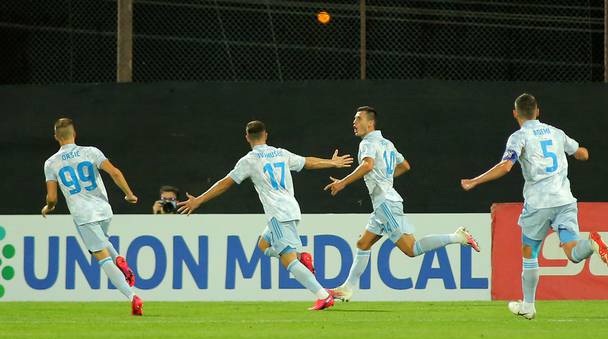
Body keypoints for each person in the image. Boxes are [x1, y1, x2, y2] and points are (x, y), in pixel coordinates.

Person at [460, 93, 608, 319]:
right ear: (537, 111)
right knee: (573, 253)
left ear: (515, 114)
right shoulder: (556, 133)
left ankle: (529, 306)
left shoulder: (519, 137)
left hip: (539, 204)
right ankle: (591, 243)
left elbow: (505, 166)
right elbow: (582, 153)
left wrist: (475, 181)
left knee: (529, 253)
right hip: (565, 201)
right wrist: (580, 154)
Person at [177, 120, 353, 310]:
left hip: (277, 214)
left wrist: (199, 200)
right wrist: (332, 162)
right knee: (263, 244)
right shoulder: (281, 153)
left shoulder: (249, 161)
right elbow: (307, 162)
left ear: (247, 137)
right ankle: (303, 259)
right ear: (266, 135)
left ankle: (323, 295)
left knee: (288, 260)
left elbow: (224, 183)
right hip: (291, 209)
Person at [324, 106, 480, 302]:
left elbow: (368, 165)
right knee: (363, 243)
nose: (354, 123)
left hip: (386, 205)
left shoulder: (367, 142)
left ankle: (457, 237)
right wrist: (385, 180)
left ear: (370, 123)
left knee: (412, 249)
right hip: (385, 203)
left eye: (358, 118)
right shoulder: (387, 143)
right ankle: (347, 288)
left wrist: (343, 182)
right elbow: (405, 165)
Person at [41, 118, 143, 316]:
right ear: (74, 133)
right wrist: (129, 194)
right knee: (101, 242)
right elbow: (115, 173)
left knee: (101, 258)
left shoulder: (51, 163)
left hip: (83, 215)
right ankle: (119, 258)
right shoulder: (91, 152)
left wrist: (48, 207)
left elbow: (52, 197)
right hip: (104, 211)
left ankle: (132, 297)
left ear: (56, 137)